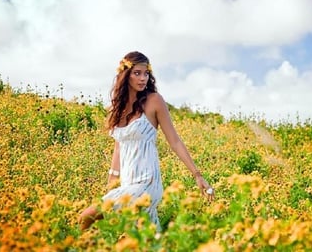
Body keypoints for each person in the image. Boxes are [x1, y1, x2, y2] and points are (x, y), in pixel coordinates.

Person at [78, 51, 214, 231]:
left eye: (146, 73)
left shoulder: (154, 101)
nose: (143, 78)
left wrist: (197, 175)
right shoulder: (115, 110)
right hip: (127, 183)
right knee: (145, 239)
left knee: (86, 216)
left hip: (147, 183)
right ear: (125, 75)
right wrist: (111, 184)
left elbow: (174, 141)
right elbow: (118, 148)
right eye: (137, 73)